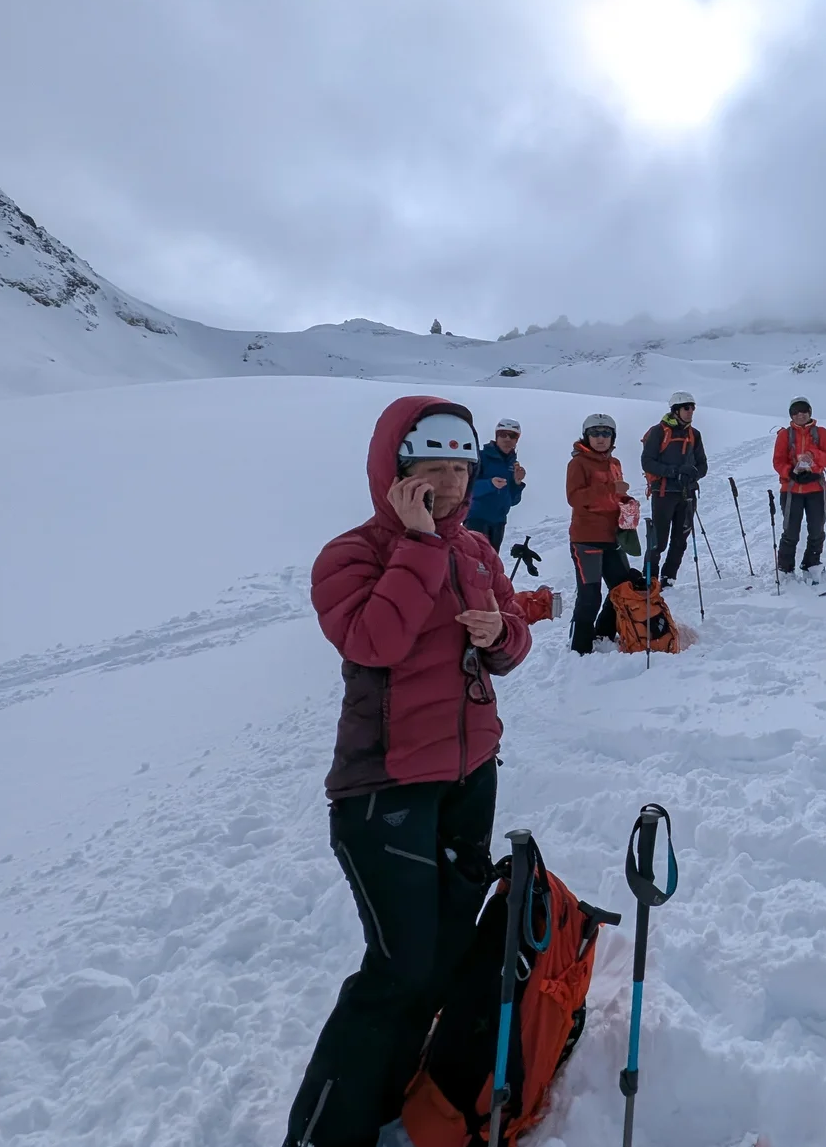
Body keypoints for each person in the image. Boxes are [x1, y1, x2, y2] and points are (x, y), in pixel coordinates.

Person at [283, 397, 534, 1147]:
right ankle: (323, 1135)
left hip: (471, 776)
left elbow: (514, 643)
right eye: (433, 470)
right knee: (399, 967)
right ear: (394, 473)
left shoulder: (479, 552)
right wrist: (420, 544)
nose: (452, 486)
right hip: (384, 793)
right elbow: (373, 641)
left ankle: (389, 1101)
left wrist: (501, 633)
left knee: (445, 955)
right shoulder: (350, 555)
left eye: (461, 470)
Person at [567, 412, 641, 653]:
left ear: (612, 437)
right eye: (595, 433)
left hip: (613, 537)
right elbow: (575, 498)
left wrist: (626, 502)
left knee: (622, 588)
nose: (600, 438)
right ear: (586, 436)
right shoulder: (578, 463)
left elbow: (614, 496)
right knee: (590, 595)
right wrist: (611, 489)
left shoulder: (614, 463)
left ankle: (604, 634)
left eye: (606, 433)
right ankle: (580, 648)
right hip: (586, 539)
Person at [640, 391, 709, 588]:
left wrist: (693, 474)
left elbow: (703, 465)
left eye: (693, 407)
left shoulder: (694, 434)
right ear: (676, 410)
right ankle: (649, 579)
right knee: (659, 540)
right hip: (664, 493)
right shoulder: (659, 432)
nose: (691, 411)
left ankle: (669, 577)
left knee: (681, 539)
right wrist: (675, 472)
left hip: (688, 493)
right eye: (687, 408)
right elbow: (647, 462)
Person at [774, 395, 826, 582]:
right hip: (791, 490)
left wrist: (813, 455)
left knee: (817, 530)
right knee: (790, 531)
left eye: (803, 411)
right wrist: (790, 473)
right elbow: (778, 461)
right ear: (791, 415)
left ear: (809, 412)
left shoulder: (820, 433)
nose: (800, 415)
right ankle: (785, 569)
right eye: (795, 412)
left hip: (816, 489)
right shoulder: (785, 435)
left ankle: (812, 564)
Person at [465, 417, 526, 550]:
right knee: (473, 559)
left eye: (512, 435)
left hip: (499, 522)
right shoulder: (480, 457)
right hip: (476, 519)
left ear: (517, 440)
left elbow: (513, 501)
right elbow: (467, 489)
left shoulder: (513, 464)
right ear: (496, 436)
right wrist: (490, 484)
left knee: (491, 560)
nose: (507, 439)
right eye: (503, 434)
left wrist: (517, 483)